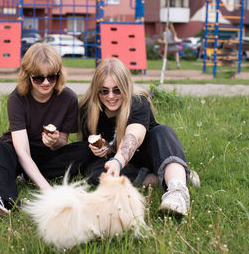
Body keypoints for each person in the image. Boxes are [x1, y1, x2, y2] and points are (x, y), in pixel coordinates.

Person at [0, 43, 93, 219]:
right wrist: (47, 189)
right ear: (28, 76)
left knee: (85, 149)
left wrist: (55, 142)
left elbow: (63, 141)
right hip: (18, 153)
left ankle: (29, 176)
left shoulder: (68, 98)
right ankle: (1, 199)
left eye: (52, 77)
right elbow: (22, 152)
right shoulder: (17, 98)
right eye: (39, 78)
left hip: (47, 157)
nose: (46, 83)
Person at [79, 57, 191, 216]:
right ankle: (168, 175)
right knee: (94, 172)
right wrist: (106, 149)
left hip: (149, 155)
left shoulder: (137, 102)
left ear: (126, 87)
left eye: (117, 90)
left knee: (162, 132)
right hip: (124, 166)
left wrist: (118, 160)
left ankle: (177, 190)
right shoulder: (87, 109)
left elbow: (133, 136)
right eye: (104, 90)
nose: (110, 96)